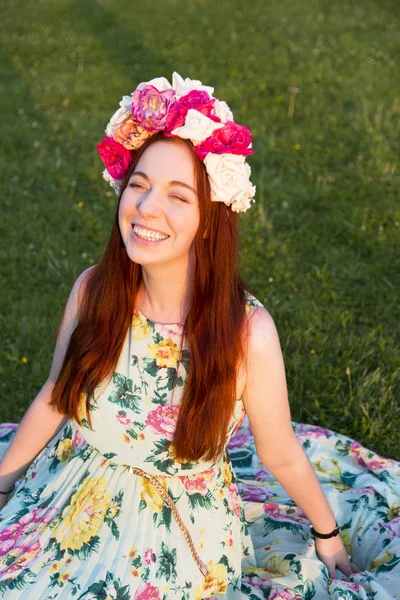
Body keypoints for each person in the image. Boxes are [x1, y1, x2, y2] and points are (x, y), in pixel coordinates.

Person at [0, 72, 398, 600]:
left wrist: (327, 535)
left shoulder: (246, 330)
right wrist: (5, 483)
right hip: (70, 487)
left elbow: (278, 450)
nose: (146, 208)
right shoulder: (94, 289)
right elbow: (58, 394)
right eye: (138, 185)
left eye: (178, 195)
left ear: (210, 220)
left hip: (171, 531)